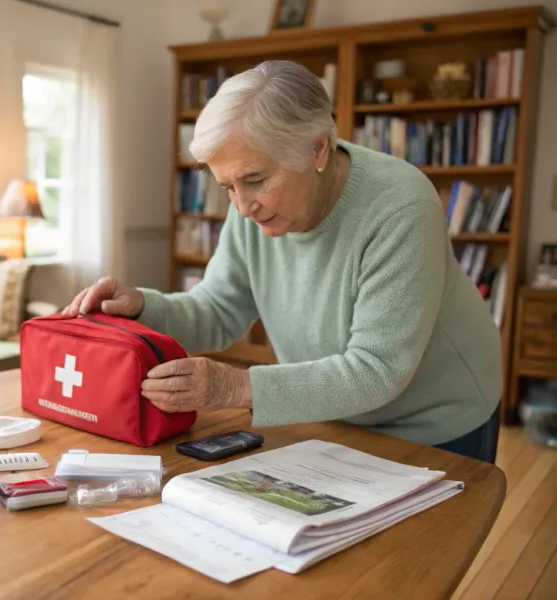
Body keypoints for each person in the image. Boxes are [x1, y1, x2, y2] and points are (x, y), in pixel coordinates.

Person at [63, 60, 503, 463]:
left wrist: (234, 386)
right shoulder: (254, 211)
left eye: (255, 180)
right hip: (335, 412)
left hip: (434, 420)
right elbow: (217, 312)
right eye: (227, 187)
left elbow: (377, 370)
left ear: (318, 149)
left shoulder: (401, 207)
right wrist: (141, 306)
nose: (242, 207)